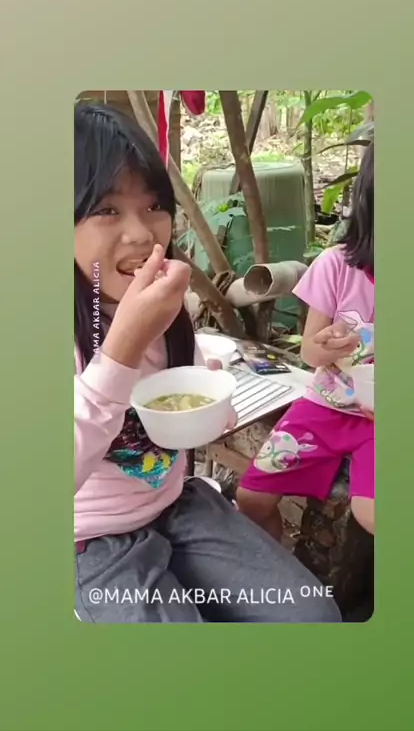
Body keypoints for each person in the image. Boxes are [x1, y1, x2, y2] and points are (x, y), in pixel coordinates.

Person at [74, 102, 341, 623]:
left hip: (178, 505)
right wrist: (122, 345)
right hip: (90, 538)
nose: (142, 234)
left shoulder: (169, 308)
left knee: (311, 617)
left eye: (154, 206)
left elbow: (187, 400)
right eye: (107, 210)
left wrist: (211, 408)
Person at [237, 142, 375, 540]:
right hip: (324, 408)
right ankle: (276, 571)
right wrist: (326, 343)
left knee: (371, 514)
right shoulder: (336, 266)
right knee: (250, 499)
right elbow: (310, 352)